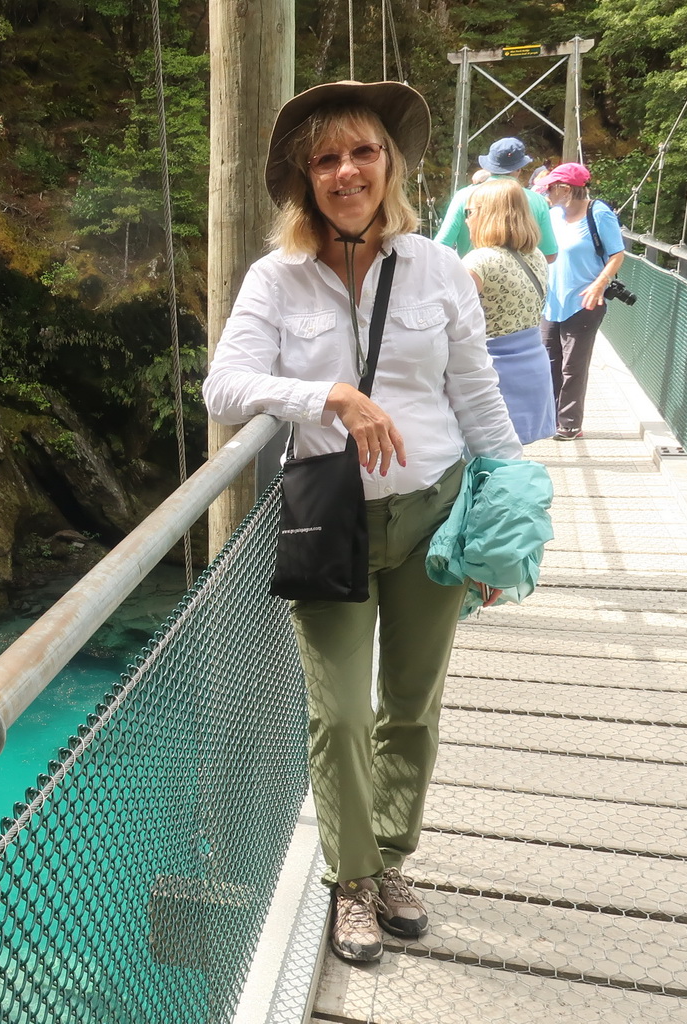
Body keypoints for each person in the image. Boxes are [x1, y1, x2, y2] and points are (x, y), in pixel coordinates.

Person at [203, 80, 522, 965]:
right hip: (329, 519)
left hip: (432, 515)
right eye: (327, 158)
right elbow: (223, 386)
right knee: (339, 712)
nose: (348, 171)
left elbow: (480, 400)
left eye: (364, 152)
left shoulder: (440, 267)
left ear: (391, 165)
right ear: (307, 179)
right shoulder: (278, 277)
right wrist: (329, 396)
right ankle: (348, 880)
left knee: (411, 707)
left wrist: (506, 518)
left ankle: (388, 860)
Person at [461, 178, 555, 444]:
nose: (468, 220)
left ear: (487, 214)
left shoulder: (478, 262)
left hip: (494, 378)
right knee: (508, 465)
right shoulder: (535, 254)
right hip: (532, 367)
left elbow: (447, 317)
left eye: (470, 212)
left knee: (483, 467)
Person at [535, 161, 624, 440]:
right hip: (552, 301)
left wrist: (600, 283)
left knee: (572, 366)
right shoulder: (551, 216)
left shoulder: (599, 214)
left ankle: (569, 424)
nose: (546, 195)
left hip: (585, 301)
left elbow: (617, 254)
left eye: (549, 189)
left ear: (564, 189)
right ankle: (548, 420)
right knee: (548, 363)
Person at [434, 137, 558, 262]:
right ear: (519, 168)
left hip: (472, 277)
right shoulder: (538, 201)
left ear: (488, 166)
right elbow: (549, 254)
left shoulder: (465, 196)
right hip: (521, 280)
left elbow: (441, 247)